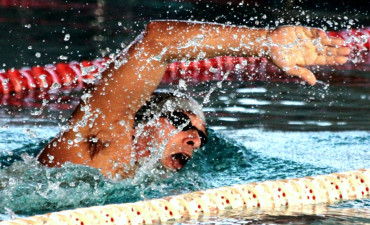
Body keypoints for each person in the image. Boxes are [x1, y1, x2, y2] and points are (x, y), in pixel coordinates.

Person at [37, 20, 350, 179]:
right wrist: (265, 42)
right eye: (181, 123)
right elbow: (156, 41)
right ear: (138, 120)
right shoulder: (98, 140)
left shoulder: (149, 186)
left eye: (200, 135)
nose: (194, 141)